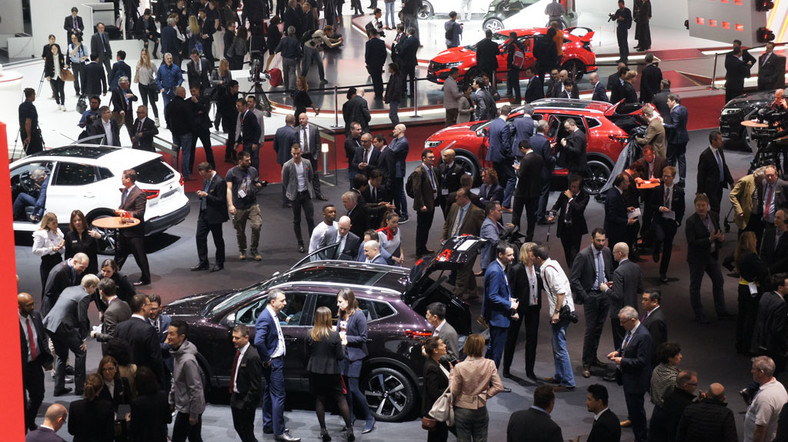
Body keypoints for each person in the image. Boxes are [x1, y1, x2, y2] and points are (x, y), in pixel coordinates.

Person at [254, 290, 301, 442]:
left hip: (274, 360)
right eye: (283, 300)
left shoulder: (271, 315)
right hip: (274, 361)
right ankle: (279, 432)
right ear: (273, 302)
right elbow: (258, 341)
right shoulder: (265, 318)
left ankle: (268, 424)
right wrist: (267, 358)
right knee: (279, 396)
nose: (285, 303)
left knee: (269, 393)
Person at [43, 274, 97, 397]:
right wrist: (83, 338)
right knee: (81, 352)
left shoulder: (69, 289)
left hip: (50, 325)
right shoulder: (85, 296)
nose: (95, 291)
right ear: (91, 286)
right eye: (95, 288)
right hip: (63, 327)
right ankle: (80, 388)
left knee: (61, 356)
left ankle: (59, 388)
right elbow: (82, 319)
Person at [570, 228, 614, 378]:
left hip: (604, 296)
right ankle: (586, 363)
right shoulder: (583, 255)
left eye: (603, 240)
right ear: (592, 239)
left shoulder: (607, 252)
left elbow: (610, 271)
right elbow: (574, 279)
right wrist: (586, 296)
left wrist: (610, 283)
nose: (601, 243)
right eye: (598, 240)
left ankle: (593, 358)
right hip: (591, 296)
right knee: (590, 331)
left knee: (598, 329)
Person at [533, 244, 576, 391]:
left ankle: (568, 381)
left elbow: (560, 292)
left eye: (533, 256)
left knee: (560, 347)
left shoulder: (548, 270)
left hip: (562, 313)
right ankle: (559, 375)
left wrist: (557, 312)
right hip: (565, 309)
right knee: (556, 344)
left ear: (538, 258)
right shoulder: (553, 264)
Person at [306, 307, 353, 442]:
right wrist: (343, 344)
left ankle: (323, 430)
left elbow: (307, 353)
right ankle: (349, 430)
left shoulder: (310, 333)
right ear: (328, 318)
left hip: (315, 370)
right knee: (340, 398)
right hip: (332, 371)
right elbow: (340, 356)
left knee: (320, 399)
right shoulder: (334, 335)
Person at [606, 306, 652, 442]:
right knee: (633, 409)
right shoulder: (631, 330)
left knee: (637, 412)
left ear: (632, 320)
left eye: (623, 322)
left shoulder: (643, 336)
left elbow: (642, 361)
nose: (620, 325)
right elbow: (626, 346)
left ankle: (641, 438)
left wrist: (622, 360)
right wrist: (618, 352)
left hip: (637, 380)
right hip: (628, 377)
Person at [685, 193, 730, 323]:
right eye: (698, 206)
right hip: (697, 258)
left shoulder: (713, 216)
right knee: (695, 286)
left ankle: (721, 311)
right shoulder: (691, 222)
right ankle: (699, 314)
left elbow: (718, 231)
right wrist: (710, 239)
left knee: (719, 282)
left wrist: (720, 239)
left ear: (707, 206)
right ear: (695, 206)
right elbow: (692, 242)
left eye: (703, 205)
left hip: (711, 256)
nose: (701, 208)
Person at [336, 288, 375, 433]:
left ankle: (369, 417)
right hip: (343, 356)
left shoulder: (359, 315)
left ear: (349, 300)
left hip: (355, 356)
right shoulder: (341, 314)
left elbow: (363, 338)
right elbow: (339, 331)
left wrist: (346, 338)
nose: (338, 305)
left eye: (340, 302)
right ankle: (350, 416)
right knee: (346, 390)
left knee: (353, 388)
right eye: (338, 302)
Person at [450, 334, 504, 440]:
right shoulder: (490, 364)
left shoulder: (459, 367)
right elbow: (498, 387)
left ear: (467, 346)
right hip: (481, 409)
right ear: (481, 347)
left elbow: (454, 391)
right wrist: (484, 396)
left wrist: (451, 375)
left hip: (462, 409)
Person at [503, 242, 542, 380]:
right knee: (511, 338)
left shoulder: (538, 268)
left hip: (534, 308)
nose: (535, 254)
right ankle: (506, 368)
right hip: (518, 309)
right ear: (526, 252)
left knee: (532, 340)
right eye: (533, 251)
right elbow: (511, 292)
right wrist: (513, 310)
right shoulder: (516, 269)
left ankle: (530, 371)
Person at [19, 292, 54, 432]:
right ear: (19, 306)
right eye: (28, 305)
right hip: (19, 367)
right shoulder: (9, 321)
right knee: (20, 402)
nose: (33, 307)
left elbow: (41, 337)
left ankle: (29, 420)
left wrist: (46, 354)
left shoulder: (36, 315)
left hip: (35, 364)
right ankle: (23, 428)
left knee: (38, 395)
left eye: (33, 303)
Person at [166, 320, 206, 442]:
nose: (168, 337)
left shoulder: (187, 361)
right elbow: (176, 381)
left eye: (171, 334)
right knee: (194, 438)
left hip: (189, 410)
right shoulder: (177, 354)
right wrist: (172, 402)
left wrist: (194, 414)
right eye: (168, 333)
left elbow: (196, 388)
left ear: (182, 337)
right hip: (184, 407)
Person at [483, 242, 519, 370]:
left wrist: (509, 299)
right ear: (500, 254)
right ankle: (493, 382)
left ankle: (486, 378)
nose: (512, 257)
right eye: (509, 255)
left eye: (513, 254)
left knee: (492, 349)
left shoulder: (496, 267)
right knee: (496, 353)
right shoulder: (496, 271)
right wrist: (510, 304)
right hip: (498, 319)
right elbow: (492, 296)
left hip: (497, 316)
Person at [114, 294, 164, 383]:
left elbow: (116, 353)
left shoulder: (119, 327)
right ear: (143, 307)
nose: (151, 308)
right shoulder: (148, 329)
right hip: (144, 381)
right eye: (149, 305)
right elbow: (155, 359)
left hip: (125, 379)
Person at [603, 242, 643, 349]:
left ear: (620, 253)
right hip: (633, 310)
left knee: (620, 342)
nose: (613, 255)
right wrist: (616, 285)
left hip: (620, 313)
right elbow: (639, 289)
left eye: (614, 253)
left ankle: (621, 364)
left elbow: (617, 296)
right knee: (632, 340)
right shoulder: (636, 267)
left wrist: (606, 289)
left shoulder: (618, 271)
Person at [113, 169, 151, 286]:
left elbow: (139, 212)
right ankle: (112, 276)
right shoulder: (125, 191)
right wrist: (120, 210)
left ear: (128, 179)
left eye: (123, 178)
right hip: (124, 229)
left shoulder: (139, 194)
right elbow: (124, 205)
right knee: (119, 254)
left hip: (135, 231)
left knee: (139, 256)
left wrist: (125, 212)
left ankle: (146, 278)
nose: (121, 179)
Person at [189, 162, 228, 272]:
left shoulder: (220, 182)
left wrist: (207, 196)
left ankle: (220, 263)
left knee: (218, 240)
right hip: (204, 214)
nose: (203, 177)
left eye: (204, 175)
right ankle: (203, 263)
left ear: (210, 171)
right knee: (199, 237)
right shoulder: (207, 179)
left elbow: (221, 201)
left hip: (215, 216)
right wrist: (202, 194)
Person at [735, 232, 770, 354]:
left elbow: (727, 261)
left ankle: (739, 344)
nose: (756, 241)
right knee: (751, 319)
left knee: (741, 317)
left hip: (742, 286)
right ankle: (747, 346)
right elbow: (764, 271)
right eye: (755, 239)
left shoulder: (739, 254)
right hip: (753, 290)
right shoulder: (752, 256)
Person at [226, 151, 264, 261]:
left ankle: (254, 249)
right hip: (239, 206)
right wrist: (230, 205)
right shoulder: (231, 172)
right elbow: (228, 189)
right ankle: (242, 249)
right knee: (240, 230)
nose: (250, 162)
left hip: (252, 204)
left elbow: (256, 183)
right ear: (240, 161)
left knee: (257, 226)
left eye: (250, 160)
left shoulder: (253, 170)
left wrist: (258, 186)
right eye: (247, 160)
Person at [744, 356, 788, 442]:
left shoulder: (765, 398)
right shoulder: (779, 386)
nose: (751, 371)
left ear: (761, 372)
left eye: (753, 369)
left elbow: (760, 429)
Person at [751, 274, 788, 374]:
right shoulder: (781, 304)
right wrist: (784, 347)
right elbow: (777, 329)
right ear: (780, 288)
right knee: (774, 372)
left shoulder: (765, 296)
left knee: (760, 372)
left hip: (760, 340)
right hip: (773, 345)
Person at [283, 144, 316, 253]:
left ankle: (312, 242)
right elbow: (285, 181)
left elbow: (311, 176)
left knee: (310, 219)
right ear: (291, 153)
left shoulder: (307, 162)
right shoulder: (287, 165)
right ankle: (300, 243)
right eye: (294, 154)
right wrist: (291, 190)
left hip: (306, 194)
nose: (296, 155)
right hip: (295, 196)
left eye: (298, 153)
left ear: (301, 153)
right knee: (297, 220)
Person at [549, 174, 588, 267]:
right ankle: (571, 267)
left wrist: (570, 198)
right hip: (564, 227)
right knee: (567, 250)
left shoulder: (584, 196)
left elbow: (579, 209)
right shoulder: (564, 194)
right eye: (571, 186)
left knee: (574, 252)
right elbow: (556, 206)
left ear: (580, 187)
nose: (572, 189)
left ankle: (574, 270)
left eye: (575, 187)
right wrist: (552, 213)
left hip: (576, 228)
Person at [648, 342, 682, 441]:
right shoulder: (674, 379)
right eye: (677, 355)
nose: (681, 356)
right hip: (669, 415)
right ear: (669, 358)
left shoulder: (656, 369)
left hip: (657, 411)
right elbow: (678, 400)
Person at [697, 131, 734, 219]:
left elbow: (724, 166)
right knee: (715, 207)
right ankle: (715, 227)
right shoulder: (705, 155)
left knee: (717, 208)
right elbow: (701, 174)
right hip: (710, 187)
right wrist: (700, 191)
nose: (722, 141)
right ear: (713, 141)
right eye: (720, 139)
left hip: (719, 185)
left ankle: (713, 225)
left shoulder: (720, 151)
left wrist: (731, 182)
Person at [67, 374, 114, 441]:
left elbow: (71, 431)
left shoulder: (74, 406)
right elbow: (110, 433)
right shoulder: (107, 406)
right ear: (101, 388)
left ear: (84, 385)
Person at [129, 366, 171, 442]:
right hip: (160, 437)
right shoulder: (163, 395)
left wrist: (128, 420)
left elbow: (133, 428)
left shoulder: (137, 403)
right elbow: (168, 419)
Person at [90, 278, 132, 354]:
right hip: (128, 346)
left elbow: (111, 337)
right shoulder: (125, 304)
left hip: (116, 352)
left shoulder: (109, 312)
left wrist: (96, 335)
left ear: (101, 292)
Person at [512, 140, 543, 241]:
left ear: (523, 148)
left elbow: (521, 175)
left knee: (517, 215)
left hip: (522, 192)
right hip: (534, 192)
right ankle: (529, 237)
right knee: (531, 217)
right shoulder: (539, 158)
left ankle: (515, 236)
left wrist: (517, 169)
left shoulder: (526, 159)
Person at [412, 149, 441, 256]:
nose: (433, 159)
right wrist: (421, 205)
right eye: (430, 157)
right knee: (422, 228)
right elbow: (417, 190)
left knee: (427, 227)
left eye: (433, 157)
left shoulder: (432, 169)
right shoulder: (419, 172)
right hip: (424, 205)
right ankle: (419, 250)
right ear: (423, 158)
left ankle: (423, 247)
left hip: (431, 203)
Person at [422, 336, 450, 442]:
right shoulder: (431, 367)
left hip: (441, 408)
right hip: (436, 411)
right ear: (435, 350)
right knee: (437, 438)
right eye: (442, 344)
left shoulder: (438, 362)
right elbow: (434, 392)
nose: (445, 345)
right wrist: (452, 390)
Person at [42, 253, 89, 317]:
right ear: (75, 262)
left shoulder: (75, 269)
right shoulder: (59, 271)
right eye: (82, 267)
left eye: (85, 268)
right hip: (52, 309)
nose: (83, 270)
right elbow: (49, 293)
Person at [487, 104, 514, 207]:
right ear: (509, 114)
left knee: (498, 180)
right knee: (512, 178)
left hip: (494, 156)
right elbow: (506, 145)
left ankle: (497, 200)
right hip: (503, 157)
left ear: (500, 112)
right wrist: (511, 156)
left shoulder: (493, 123)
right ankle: (506, 204)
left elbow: (490, 139)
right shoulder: (505, 126)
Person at [32, 213, 64, 292]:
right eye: (53, 223)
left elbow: (62, 251)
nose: (56, 225)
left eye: (56, 222)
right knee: (47, 287)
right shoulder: (41, 234)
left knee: (58, 286)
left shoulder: (58, 232)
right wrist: (51, 249)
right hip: (47, 263)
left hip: (58, 261)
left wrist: (61, 246)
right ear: (47, 223)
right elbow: (35, 250)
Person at [296, 112, 325, 200]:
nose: (301, 120)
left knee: (315, 175)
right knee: (301, 174)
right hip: (301, 156)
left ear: (307, 119)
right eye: (300, 119)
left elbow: (318, 143)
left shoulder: (314, 129)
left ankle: (318, 194)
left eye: (303, 118)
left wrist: (316, 155)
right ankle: (305, 194)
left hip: (312, 156)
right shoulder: (295, 130)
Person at [63, 210, 99, 276]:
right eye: (74, 221)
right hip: (75, 270)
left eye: (79, 220)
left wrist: (99, 237)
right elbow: (67, 255)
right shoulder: (69, 235)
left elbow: (101, 248)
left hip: (90, 269)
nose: (77, 222)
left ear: (83, 220)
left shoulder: (91, 233)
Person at [235, 97, 262, 171]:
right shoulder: (241, 115)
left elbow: (258, 129)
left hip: (251, 142)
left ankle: (255, 175)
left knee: (254, 159)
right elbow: (243, 130)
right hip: (246, 141)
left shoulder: (250, 115)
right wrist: (238, 141)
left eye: (239, 106)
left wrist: (255, 142)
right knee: (246, 159)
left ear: (244, 106)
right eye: (237, 105)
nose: (237, 107)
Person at [19, 88, 43, 155]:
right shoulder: (31, 107)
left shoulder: (21, 106)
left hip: (23, 133)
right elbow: (28, 122)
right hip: (32, 134)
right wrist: (29, 136)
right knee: (38, 154)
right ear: (32, 95)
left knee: (29, 154)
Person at [43, 43, 67, 111]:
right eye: (52, 49)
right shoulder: (48, 57)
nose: (54, 50)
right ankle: (58, 103)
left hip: (60, 76)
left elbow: (63, 65)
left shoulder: (61, 56)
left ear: (58, 49)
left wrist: (65, 66)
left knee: (61, 90)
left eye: (55, 48)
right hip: (52, 77)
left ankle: (63, 104)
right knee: (55, 91)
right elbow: (46, 67)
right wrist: (47, 75)